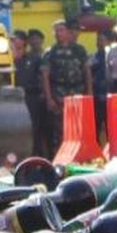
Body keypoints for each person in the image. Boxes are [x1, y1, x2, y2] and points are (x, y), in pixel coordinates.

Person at [41, 20, 93, 155]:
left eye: (61, 30)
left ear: (68, 32)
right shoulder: (50, 52)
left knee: (79, 126)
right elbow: (45, 76)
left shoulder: (79, 50)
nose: (58, 33)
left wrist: (89, 93)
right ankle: (61, 156)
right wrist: (49, 99)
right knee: (60, 129)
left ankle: (80, 154)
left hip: (78, 92)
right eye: (56, 31)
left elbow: (86, 72)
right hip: (59, 94)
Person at [12, 30, 48, 157]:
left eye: (19, 39)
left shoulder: (34, 59)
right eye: (14, 39)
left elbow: (43, 77)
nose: (16, 42)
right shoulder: (7, 60)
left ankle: (36, 157)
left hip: (31, 98)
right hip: (13, 99)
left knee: (34, 130)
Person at [90, 29, 113, 142]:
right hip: (97, 97)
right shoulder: (93, 57)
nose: (99, 43)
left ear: (108, 42)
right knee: (96, 125)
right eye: (98, 40)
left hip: (110, 96)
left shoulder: (113, 55)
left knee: (111, 125)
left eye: (102, 40)